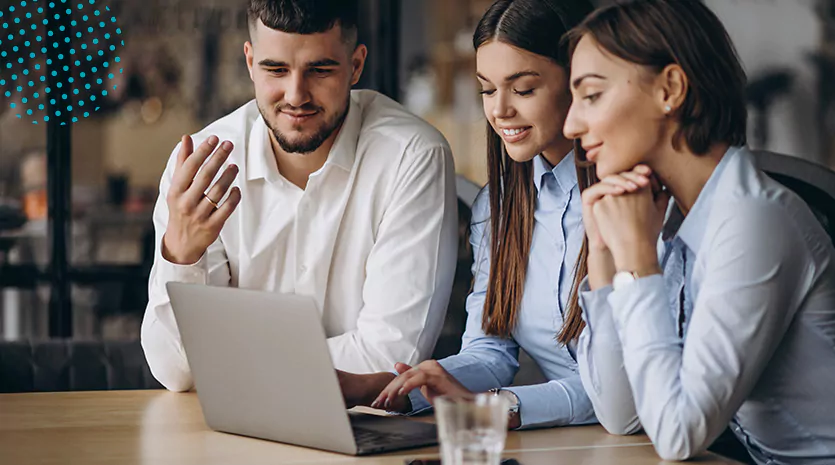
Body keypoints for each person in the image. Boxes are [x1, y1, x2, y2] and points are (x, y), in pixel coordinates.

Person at [563, 0, 835, 462]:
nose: (571, 124)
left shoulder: (753, 219)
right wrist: (605, 256)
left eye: (591, 95)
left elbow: (678, 434)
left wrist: (639, 264)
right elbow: (621, 415)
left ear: (671, 88)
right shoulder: (668, 218)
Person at [142, 0, 457, 392]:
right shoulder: (199, 167)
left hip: (365, 436)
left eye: (320, 70)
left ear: (356, 65)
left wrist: (226, 363)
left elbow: (389, 359)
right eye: (275, 69)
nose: (296, 96)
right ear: (249, 61)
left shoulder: (411, 157)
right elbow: (175, 371)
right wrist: (181, 255)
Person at [340, 0, 598, 431]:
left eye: (523, 89)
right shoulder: (498, 210)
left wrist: (501, 407)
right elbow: (489, 352)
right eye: (487, 89)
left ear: (580, 81)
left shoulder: (631, 200)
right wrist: (392, 389)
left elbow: (623, 392)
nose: (499, 110)